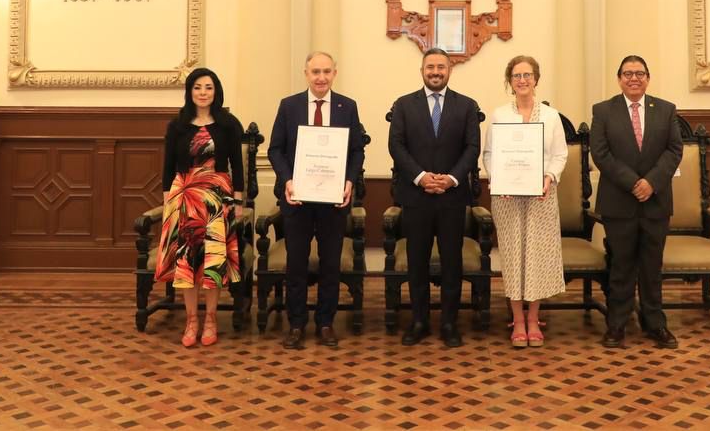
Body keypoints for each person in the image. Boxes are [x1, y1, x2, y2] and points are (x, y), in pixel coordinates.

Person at [267, 51, 366, 349]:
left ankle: (325, 323)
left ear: (334, 73)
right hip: (297, 199)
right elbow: (275, 149)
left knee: (330, 264)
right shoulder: (289, 106)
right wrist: (288, 180)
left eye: (326, 71)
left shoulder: (347, 106)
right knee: (296, 264)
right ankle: (296, 324)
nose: (321, 77)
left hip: (333, 201)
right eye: (315, 72)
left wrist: (349, 181)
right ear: (306, 73)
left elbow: (357, 151)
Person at [388, 47, 482, 347]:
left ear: (449, 70)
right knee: (417, 262)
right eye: (430, 67)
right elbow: (396, 146)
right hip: (416, 196)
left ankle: (449, 323)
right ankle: (419, 321)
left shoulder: (467, 106)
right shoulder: (404, 105)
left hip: (452, 198)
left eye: (441, 67)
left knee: (452, 263)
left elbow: (472, 148)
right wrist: (421, 177)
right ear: (422, 71)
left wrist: (451, 179)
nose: (436, 72)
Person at [589, 55, 683, 350]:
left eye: (639, 73)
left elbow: (674, 150)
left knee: (652, 267)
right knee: (621, 266)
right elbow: (600, 153)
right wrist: (633, 182)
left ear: (648, 78)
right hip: (619, 201)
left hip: (656, 201)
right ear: (619, 79)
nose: (634, 78)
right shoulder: (603, 111)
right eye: (628, 73)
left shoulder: (666, 110)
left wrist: (651, 182)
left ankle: (655, 323)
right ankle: (617, 324)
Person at [154, 67, 246, 348]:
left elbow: (236, 165)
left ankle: (211, 320)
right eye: (197, 87)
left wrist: (238, 200)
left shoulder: (228, 124)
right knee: (187, 262)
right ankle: (192, 320)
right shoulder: (177, 125)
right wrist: (168, 201)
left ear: (216, 91)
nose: (203, 93)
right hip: (184, 198)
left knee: (212, 261)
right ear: (189, 91)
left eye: (208, 87)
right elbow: (168, 166)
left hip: (216, 198)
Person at [482, 55, 567, 348]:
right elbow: (489, 154)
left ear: (536, 79)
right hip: (507, 198)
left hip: (542, 195)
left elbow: (560, 155)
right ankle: (517, 320)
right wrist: (498, 180)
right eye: (517, 76)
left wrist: (549, 178)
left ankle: (534, 318)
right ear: (510, 81)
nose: (522, 80)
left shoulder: (551, 116)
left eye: (527, 75)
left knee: (537, 257)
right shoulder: (499, 115)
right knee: (513, 256)